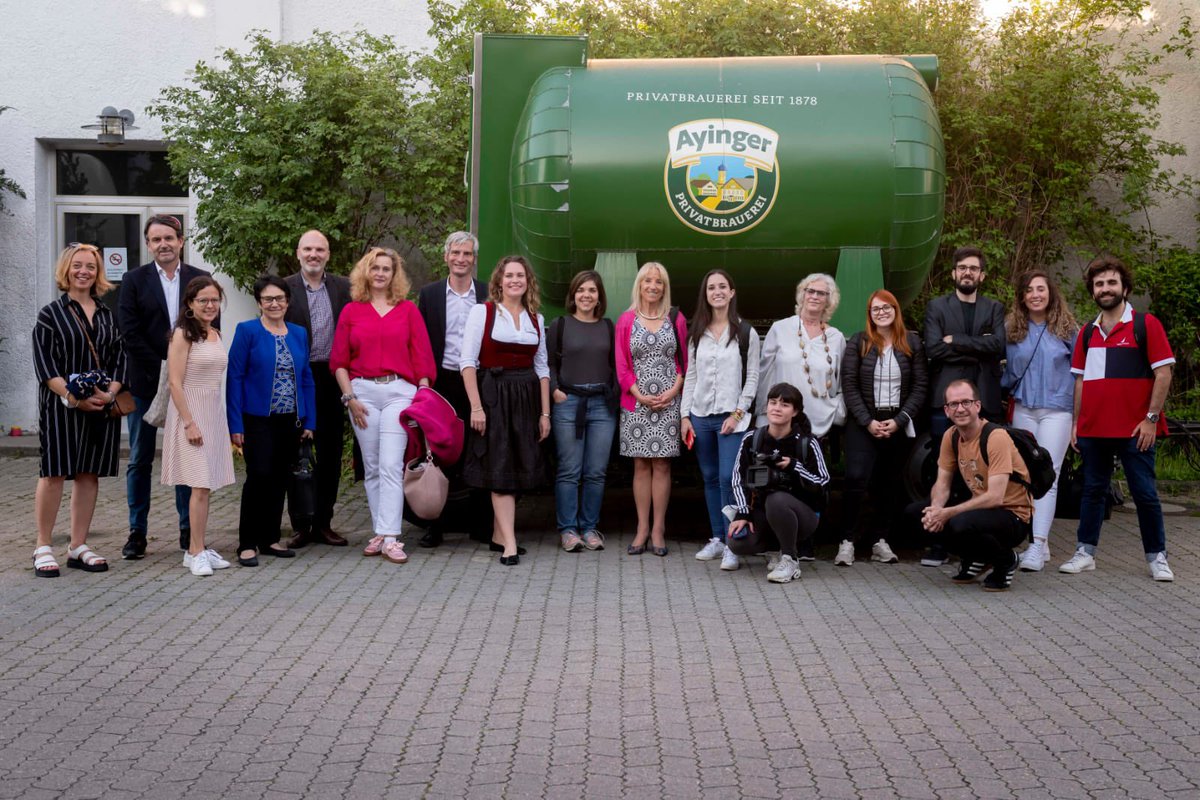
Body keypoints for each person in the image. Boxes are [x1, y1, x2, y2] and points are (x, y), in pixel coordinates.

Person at [1059, 256, 1176, 581]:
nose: (1105, 289)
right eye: (1099, 284)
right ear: (1092, 291)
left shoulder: (1145, 325)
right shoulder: (1086, 333)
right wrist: (1076, 423)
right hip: (1094, 429)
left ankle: (1157, 557)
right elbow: (1081, 381)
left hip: (1136, 429)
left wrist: (1151, 418)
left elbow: (1163, 373)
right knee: (1092, 491)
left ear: (1124, 287)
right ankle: (1085, 552)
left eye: (1111, 282)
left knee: (1144, 493)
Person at [331, 247, 436, 565]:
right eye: (375, 267)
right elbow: (339, 362)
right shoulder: (352, 311)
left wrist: (422, 396)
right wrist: (350, 399)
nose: (380, 273)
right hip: (361, 394)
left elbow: (423, 358)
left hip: (398, 393)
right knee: (373, 466)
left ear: (395, 274)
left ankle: (391, 537)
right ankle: (380, 531)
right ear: (366, 271)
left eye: (386, 269)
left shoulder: (407, 310)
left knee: (391, 464)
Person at [117, 214, 212, 559]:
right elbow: (129, 331)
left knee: (189, 456)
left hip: (189, 385)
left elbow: (208, 323)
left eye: (169, 238)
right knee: (140, 457)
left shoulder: (200, 278)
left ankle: (189, 532)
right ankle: (137, 532)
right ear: (148, 245)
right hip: (146, 381)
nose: (163, 245)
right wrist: (167, 361)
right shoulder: (133, 280)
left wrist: (185, 365)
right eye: (156, 240)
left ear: (181, 241)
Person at [31, 244, 128, 576]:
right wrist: (74, 398)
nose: (84, 271)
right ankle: (43, 546)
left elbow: (119, 359)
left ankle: (77, 545)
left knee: (89, 473)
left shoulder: (106, 313)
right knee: (54, 472)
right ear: (66, 270)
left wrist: (109, 393)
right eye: (77, 266)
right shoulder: (50, 314)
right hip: (61, 407)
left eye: (90, 266)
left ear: (98, 273)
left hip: (100, 405)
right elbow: (45, 367)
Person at [460, 255, 551, 566]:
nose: (515, 280)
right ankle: (510, 543)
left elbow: (543, 370)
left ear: (528, 282)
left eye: (520, 276)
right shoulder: (482, 313)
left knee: (520, 464)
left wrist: (544, 413)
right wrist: (476, 407)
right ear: (498, 281)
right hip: (494, 395)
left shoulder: (536, 319)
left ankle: (500, 535)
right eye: (509, 275)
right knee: (499, 467)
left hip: (526, 399)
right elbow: (468, 363)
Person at [227, 275, 317, 567]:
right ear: (259, 303)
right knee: (259, 477)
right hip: (257, 419)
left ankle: (269, 538)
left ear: (287, 301)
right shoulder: (247, 331)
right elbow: (235, 378)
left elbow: (306, 378)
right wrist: (235, 425)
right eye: (268, 299)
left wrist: (310, 420)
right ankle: (247, 543)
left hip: (290, 420)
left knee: (280, 479)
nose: (274, 303)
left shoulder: (298, 333)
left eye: (279, 298)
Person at [914, 380, 1034, 592]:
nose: (960, 409)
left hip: (1012, 515)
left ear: (977, 406)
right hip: (982, 511)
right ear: (946, 410)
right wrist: (936, 510)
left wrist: (948, 513)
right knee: (915, 515)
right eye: (954, 404)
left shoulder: (995, 437)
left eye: (966, 402)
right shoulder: (951, 436)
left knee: (959, 523)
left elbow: (995, 497)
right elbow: (942, 483)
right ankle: (977, 557)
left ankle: (1005, 560)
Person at [838, 289, 927, 566]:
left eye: (887, 307)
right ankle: (847, 541)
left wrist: (900, 420)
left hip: (897, 422)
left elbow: (920, 386)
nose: (882, 312)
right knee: (855, 477)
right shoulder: (859, 342)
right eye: (876, 309)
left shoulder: (911, 342)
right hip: (864, 422)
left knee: (889, 483)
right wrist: (868, 421)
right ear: (870, 314)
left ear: (896, 310)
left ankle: (880, 540)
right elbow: (849, 385)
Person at [416, 231, 492, 548]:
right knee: (440, 452)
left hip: (479, 381)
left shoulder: (488, 293)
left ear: (475, 259)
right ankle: (435, 524)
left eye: (468, 254)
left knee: (480, 450)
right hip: (442, 381)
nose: (461, 259)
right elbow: (421, 342)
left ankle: (481, 525)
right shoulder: (430, 294)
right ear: (446, 256)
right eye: (456, 253)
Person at [682, 269, 760, 571]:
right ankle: (716, 537)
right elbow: (691, 376)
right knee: (711, 478)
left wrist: (738, 413)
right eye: (711, 287)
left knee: (730, 478)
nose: (717, 291)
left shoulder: (745, 332)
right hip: (701, 417)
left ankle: (733, 544)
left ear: (732, 292)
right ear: (706, 294)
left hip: (732, 419)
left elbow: (752, 377)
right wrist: (685, 416)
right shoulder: (696, 332)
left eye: (722, 287)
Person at [1002, 270, 1077, 572]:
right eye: (1029, 290)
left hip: (1057, 409)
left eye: (1041, 289)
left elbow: (1081, 374)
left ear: (1051, 293)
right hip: (1023, 408)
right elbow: (1005, 373)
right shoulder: (1011, 329)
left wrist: (1078, 419)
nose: (1035, 294)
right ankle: (1039, 545)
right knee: (1026, 476)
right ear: (1022, 296)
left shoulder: (1069, 329)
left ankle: (1037, 543)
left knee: (1049, 473)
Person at [161, 277, 236, 577]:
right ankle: (194, 552)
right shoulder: (182, 334)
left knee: (206, 485)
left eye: (214, 300)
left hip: (212, 412)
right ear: (190, 304)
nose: (209, 305)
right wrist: (189, 422)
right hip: (190, 413)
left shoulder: (215, 333)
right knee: (200, 486)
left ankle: (199, 546)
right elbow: (174, 382)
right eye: (203, 300)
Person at [283, 229, 352, 548]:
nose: (314, 254)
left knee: (331, 453)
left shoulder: (344, 287)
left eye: (320, 249)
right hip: (297, 378)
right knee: (296, 453)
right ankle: (300, 525)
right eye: (308, 249)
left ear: (328, 255)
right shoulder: (284, 288)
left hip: (333, 377)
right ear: (298, 253)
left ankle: (324, 522)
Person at [615, 262, 688, 557]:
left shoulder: (676, 318)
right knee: (641, 465)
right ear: (640, 285)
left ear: (664, 287)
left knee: (662, 465)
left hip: (669, 403)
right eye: (648, 281)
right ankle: (641, 527)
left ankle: (659, 529)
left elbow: (684, 361)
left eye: (658, 282)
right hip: (636, 403)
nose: (653, 286)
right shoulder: (626, 319)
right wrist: (638, 393)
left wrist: (673, 391)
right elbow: (620, 364)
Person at [726, 382, 830, 584]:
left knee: (777, 499)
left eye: (784, 405)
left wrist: (794, 467)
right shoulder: (753, 438)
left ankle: (790, 559)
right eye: (773, 402)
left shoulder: (807, 442)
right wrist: (743, 513)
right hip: (762, 510)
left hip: (803, 516)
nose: (776, 408)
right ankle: (775, 550)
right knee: (737, 543)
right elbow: (738, 479)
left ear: (795, 411)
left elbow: (823, 483)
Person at [548, 270, 618, 553]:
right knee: (569, 470)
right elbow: (548, 363)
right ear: (573, 294)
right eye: (581, 290)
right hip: (569, 402)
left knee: (596, 471)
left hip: (601, 404)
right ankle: (568, 529)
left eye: (592, 290)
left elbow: (616, 364)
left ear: (599, 295)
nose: (586, 295)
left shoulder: (608, 327)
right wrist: (554, 390)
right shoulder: (560, 325)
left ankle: (589, 527)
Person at [924, 246, 1006, 439]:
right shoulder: (937, 307)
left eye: (973, 268)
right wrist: (980, 350)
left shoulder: (994, 308)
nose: (967, 272)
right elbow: (934, 348)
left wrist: (956, 340)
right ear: (954, 273)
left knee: (986, 459)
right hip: (946, 398)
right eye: (962, 268)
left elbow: (998, 346)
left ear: (981, 275)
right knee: (944, 460)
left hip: (985, 397)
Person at [756, 273, 846, 440]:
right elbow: (764, 374)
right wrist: (762, 414)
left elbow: (842, 382)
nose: (814, 296)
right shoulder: (780, 328)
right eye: (810, 291)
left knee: (809, 466)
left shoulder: (836, 338)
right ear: (802, 294)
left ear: (829, 300)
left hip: (819, 426)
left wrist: (838, 411)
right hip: (779, 425)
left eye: (821, 293)